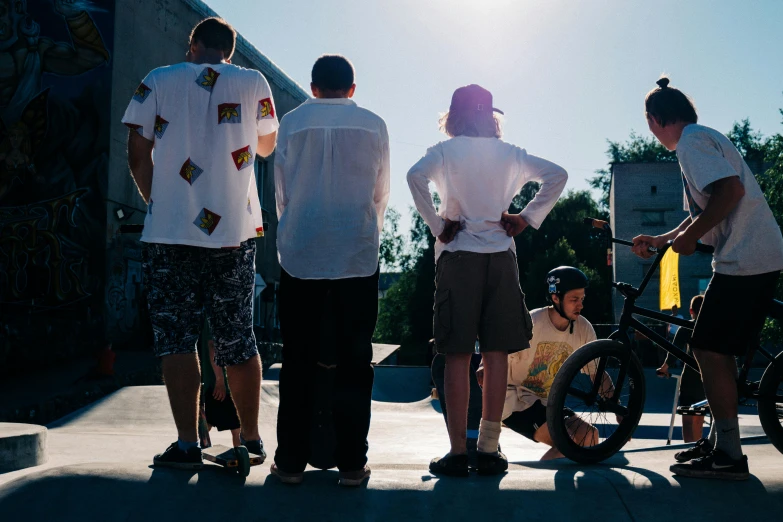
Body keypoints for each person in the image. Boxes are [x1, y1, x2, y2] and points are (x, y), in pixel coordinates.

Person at [123, 17, 277, 469]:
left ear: (192, 45)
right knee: (238, 339)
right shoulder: (253, 82)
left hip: (169, 234)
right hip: (233, 233)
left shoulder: (157, 79)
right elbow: (266, 148)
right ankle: (248, 437)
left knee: (176, 339)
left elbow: (136, 151)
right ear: (229, 51)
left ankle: (189, 443)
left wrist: (159, 201)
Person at [407, 84, 567, 476]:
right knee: (496, 355)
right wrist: (526, 218)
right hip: (500, 256)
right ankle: (490, 450)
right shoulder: (510, 154)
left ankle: (458, 452)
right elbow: (557, 176)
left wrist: (436, 224)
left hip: (458, 256)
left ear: (455, 116)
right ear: (490, 115)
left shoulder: (444, 152)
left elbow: (414, 178)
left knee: (457, 357)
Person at [632, 77, 783, 480]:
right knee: (713, 347)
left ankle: (730, 454)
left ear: (654, 120)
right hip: (753, 254)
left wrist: (691, 237)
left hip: (745, 258)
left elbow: (729, 192)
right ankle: (720, 443)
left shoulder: (690, 144)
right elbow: (702, 213)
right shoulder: (701, 137)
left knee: (707, 347)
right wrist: (665, 239)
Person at [271, 55, 390, 487]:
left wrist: (293, 229)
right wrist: (365, 233)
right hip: (355, 254)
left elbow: (281, 190)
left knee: (298, 358)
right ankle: (352, 465)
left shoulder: (292, 122)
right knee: (356, 360)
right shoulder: (373, 124)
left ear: (313, 86)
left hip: (301, 252)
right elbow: (381, 191)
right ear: (352, 89)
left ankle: (290, 462)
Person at [476, 267, 605, 460]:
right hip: (515, 400)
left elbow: (597, 373)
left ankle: (554, 480)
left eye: (582, 299)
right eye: (574, 300)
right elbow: (495, 359)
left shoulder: (584, 328)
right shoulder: (532, 323)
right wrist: (484, 370)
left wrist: (620, 410)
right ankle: (542, 484)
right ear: (555, 298)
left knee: (589, 437)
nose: (580, 305)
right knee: (567, 443)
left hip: (546, 403)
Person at [657, 295, 707, 444]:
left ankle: (690, 449)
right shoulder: (713, 328)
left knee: (687, 418)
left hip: (690, 377)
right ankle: (698, 449)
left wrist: (664, 368)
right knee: (699, 418)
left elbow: (674, 351)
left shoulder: (686, 327)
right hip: (706, 377)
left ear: (691, 310)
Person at [199, 321, 241, 448]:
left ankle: (191, 446)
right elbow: (213, 346)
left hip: (219, 383)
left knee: (210, 422)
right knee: (237, 428)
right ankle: (190, 447)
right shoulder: (215, 310)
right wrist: (220, 380)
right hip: (221, 385)